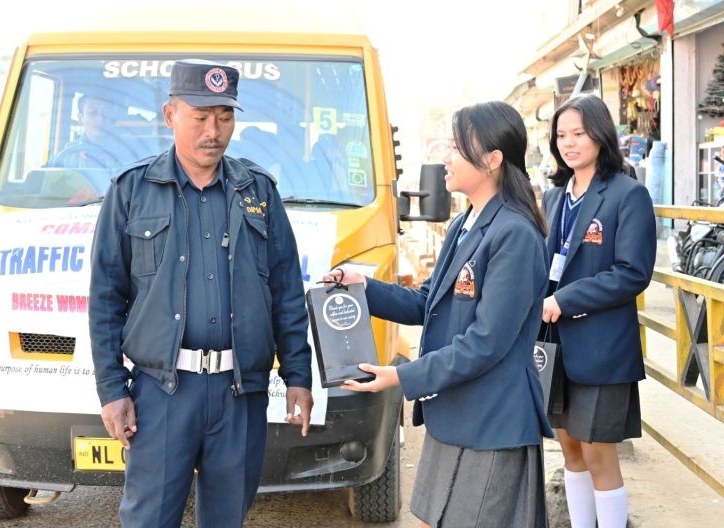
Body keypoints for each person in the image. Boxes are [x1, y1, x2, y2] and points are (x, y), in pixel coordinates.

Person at [88, 59, 314, 528]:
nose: (214, 130)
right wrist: (112, 389)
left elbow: (287, 289)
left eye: (225, 117)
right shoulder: (132, 191)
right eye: (201, 117)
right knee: (149, 519)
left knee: (227, 519)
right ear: (171, 116)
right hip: (164, 392)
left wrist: (298, 376)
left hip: (240, 393)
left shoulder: (259, 192)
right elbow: (106, 298)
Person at [324, 101, 552, 528]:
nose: (445, 156)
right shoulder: (466, 223)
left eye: (456, 146)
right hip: (457, 411)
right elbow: (427, 303)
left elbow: (486, 342)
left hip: (492, 421)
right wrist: (362, 287)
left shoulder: (514, 234)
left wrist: (402, 377)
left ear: (492, 159)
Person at [541, 94, 656, 528]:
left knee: (598, 450)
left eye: (578, 134)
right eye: (561, 136)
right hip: (555, 344)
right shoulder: (553, 198)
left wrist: (564, 300)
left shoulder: (628, 194)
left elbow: (632, 273)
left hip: (603, 347)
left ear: (600, 135)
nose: (568, 144)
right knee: (569, 445)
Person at [51, 94, 123, 171]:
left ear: (114, 119)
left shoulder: (126, 152)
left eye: (106, 113)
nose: (100, 118)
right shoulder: (67, 154)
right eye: (92, 112)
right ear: (80, 118)